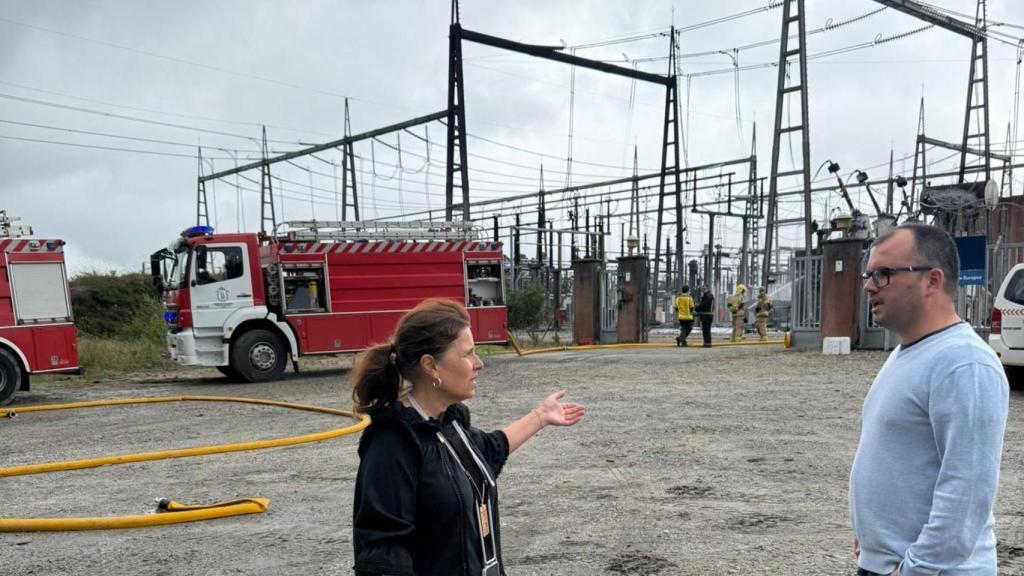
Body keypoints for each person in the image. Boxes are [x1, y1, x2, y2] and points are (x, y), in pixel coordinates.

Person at [351, 298, 585, 576]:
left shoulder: (447, 424)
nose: (479, 364)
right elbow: (384, 559)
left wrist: (541, 416)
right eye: (468, 354)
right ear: (431, 366)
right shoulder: (393, 445)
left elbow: (488, 451)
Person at [850, 223, 1009, 576]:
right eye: (869, 273)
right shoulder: (909, 352)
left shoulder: (964, 363)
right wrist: (873, 540)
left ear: (932, 281)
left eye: (884, 273)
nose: (868, 285)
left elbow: (966, 493)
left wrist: (916, 569)